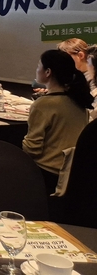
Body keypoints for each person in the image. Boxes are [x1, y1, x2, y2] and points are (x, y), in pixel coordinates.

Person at [23, 49, 92, 193]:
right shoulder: (79, 101)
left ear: (48, 72)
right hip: (72, 173)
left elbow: (32, 149)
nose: (37, 69)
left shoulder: (43, 104)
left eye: (39, 66)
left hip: (47, 172)